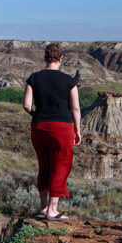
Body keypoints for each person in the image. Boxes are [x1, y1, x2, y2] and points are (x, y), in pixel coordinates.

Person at [22, 42, 81, 220]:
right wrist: (77, 130)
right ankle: (52, 210)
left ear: (45, 58)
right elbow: (76, 108)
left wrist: (36, 114)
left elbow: (26, 104)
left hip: (39, 127)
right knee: (61, 166)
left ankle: (42, 206)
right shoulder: (69, 81)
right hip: (62, 128)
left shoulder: (34, 78)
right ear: (60, 59)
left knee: (44, 165)